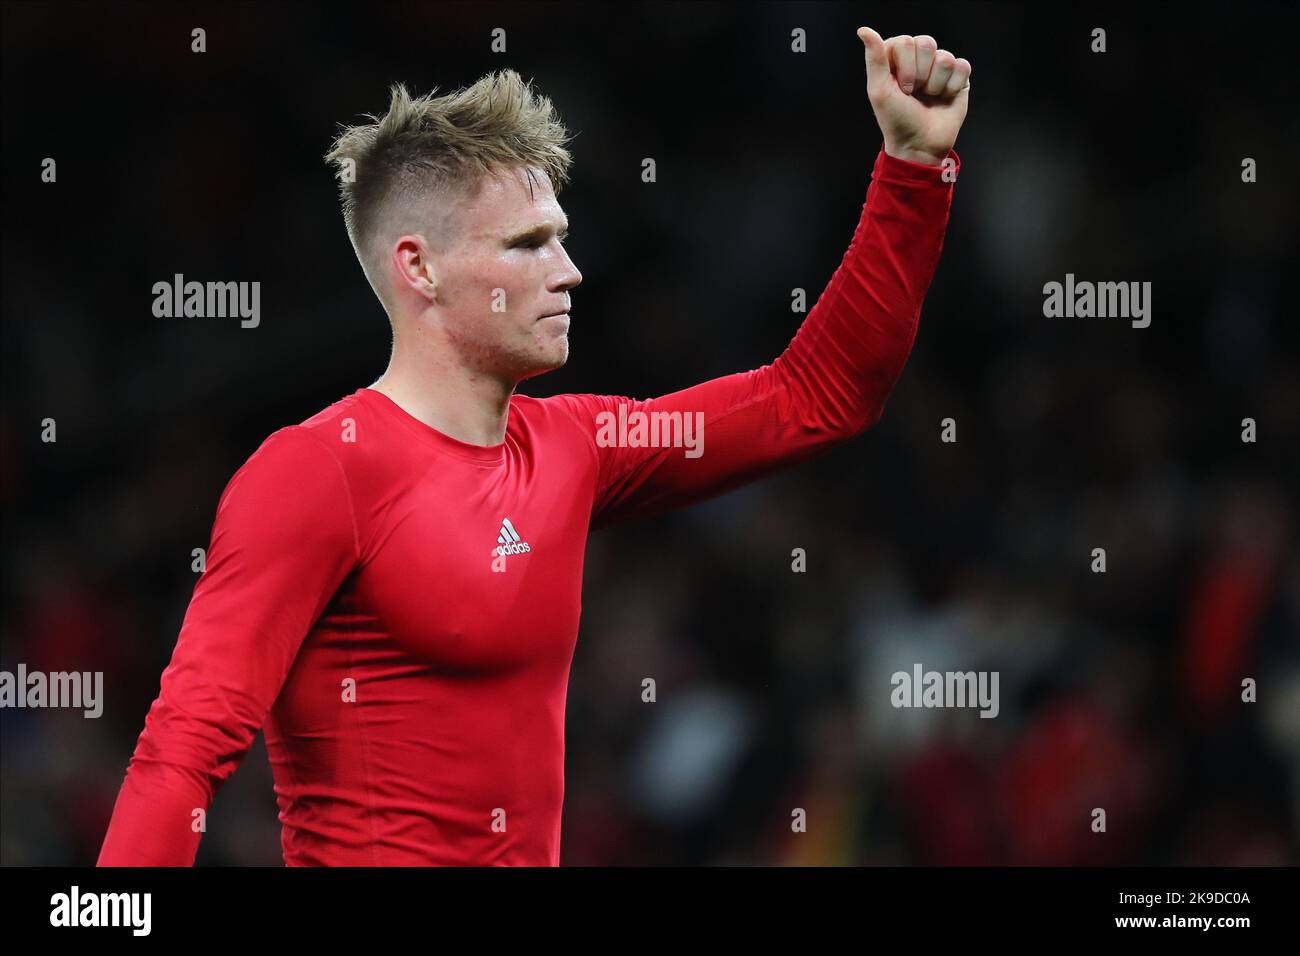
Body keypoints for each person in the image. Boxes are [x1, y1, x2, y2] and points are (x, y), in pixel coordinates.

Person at [98, 27, 971, 866]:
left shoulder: (577, 444)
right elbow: (183, 749)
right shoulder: (316, 471)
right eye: (528, 244)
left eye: (561, 236)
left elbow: (817, 397)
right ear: (419, 268)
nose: (569, 270)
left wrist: (912, 168)